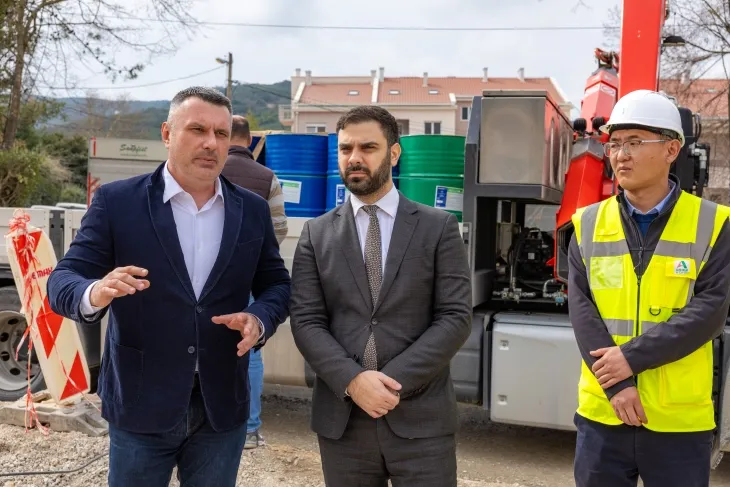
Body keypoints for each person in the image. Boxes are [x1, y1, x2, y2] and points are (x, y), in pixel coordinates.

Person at [47, 86, 291, 487]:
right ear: (167, 133)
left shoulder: (252, 210)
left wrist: (259, 318)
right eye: (197, 129)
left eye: (221, 133)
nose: (211, 143)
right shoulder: (117, 202)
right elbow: (63, 280)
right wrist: (97, 291)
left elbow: (277, 284)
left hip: (221, 407)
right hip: (141, 401)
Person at [289, 105, 472, 487]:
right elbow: (306, 321)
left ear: (394, 153)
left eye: (368, 147)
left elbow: (454, 317)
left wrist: (389, 382)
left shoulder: (438, 227)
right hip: (344, 423)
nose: (354, 158)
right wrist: (355, 381)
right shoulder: (316, 234)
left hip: (421, 421)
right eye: (345, 149)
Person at [568, 89, 730, 487]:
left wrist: (630, 359)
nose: (620, 155)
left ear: (672, 149)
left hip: (678, 421)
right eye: (615, 144)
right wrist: (619, 385)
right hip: (604, 415)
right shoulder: (586, 223)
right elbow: (583, 312)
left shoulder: (714, 223)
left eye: (635, 142)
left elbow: (710, 312)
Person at [221, 114, 288, 449]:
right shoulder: (266, 177)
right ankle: (248, 429)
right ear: (250, 140)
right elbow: (280, 228)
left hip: (201, 278)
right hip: (246, 276)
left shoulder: (206, 168)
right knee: (249, 347)